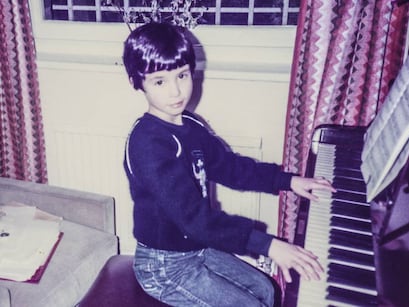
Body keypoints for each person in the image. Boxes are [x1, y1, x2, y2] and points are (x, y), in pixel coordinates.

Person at [122, 22, 335, 307]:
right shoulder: (147, 143)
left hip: (196, 248)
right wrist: (269, 245)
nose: (176, 92)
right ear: (137, 82)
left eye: (182, 75)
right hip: (164, 266)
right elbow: (193, 220)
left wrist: (289, 181)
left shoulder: (192, 125)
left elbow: (231, 168)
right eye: (160, 81)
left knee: (268, 291)